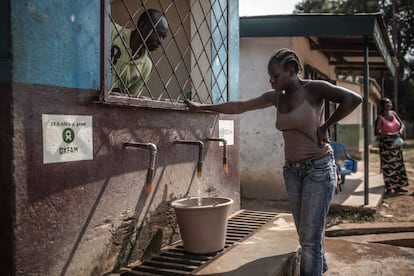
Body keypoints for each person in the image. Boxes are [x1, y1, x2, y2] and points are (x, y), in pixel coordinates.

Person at [186, 48, 362, 275]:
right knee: (306, 235)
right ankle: (319, 266)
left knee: (309, 240)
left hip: (318, 169)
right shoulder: (276, 98)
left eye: (275, 76)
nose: (271, 81)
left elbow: (353, 99)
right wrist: (202, 107)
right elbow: (239, 106)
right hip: (293, 171)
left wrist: (326, 126)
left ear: (291, 71)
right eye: (270, 76)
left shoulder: (313, 89)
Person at [111, 9, 168, 96]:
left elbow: (131, 98)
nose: (160, 41)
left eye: (163, 37)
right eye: (158, 33)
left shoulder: (146, 66)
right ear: (142, 26)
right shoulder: (112, 31)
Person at [374, 97, 409, 194]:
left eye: (390, 103)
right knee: (388, 167)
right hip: (386, 146)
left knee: (399, 165)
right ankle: (389, 188)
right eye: (387, 103)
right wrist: (390, 134)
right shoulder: (379, 118)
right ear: (382, 106)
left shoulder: (394, 114)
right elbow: (377, 132)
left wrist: (400, 131)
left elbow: (401, 125)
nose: (389, 105)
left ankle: (399, 187)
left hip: (396, 145)